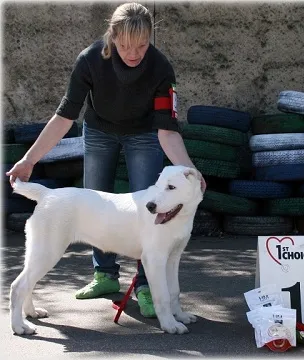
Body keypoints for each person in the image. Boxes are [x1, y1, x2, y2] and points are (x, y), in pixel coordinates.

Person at [6, 2, 206, 318]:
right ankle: (104, 276)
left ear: (150, 38)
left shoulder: (160, 68)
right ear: (112, 37)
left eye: (142, 44)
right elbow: (63, 118)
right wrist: (29, 159)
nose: (133, 52)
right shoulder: (89, 60)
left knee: (150, 210)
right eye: (125, 45)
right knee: (95, 206)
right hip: (99, 130)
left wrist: (191, 172)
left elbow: (168, 131)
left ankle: (146, 287)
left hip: (144, 133)